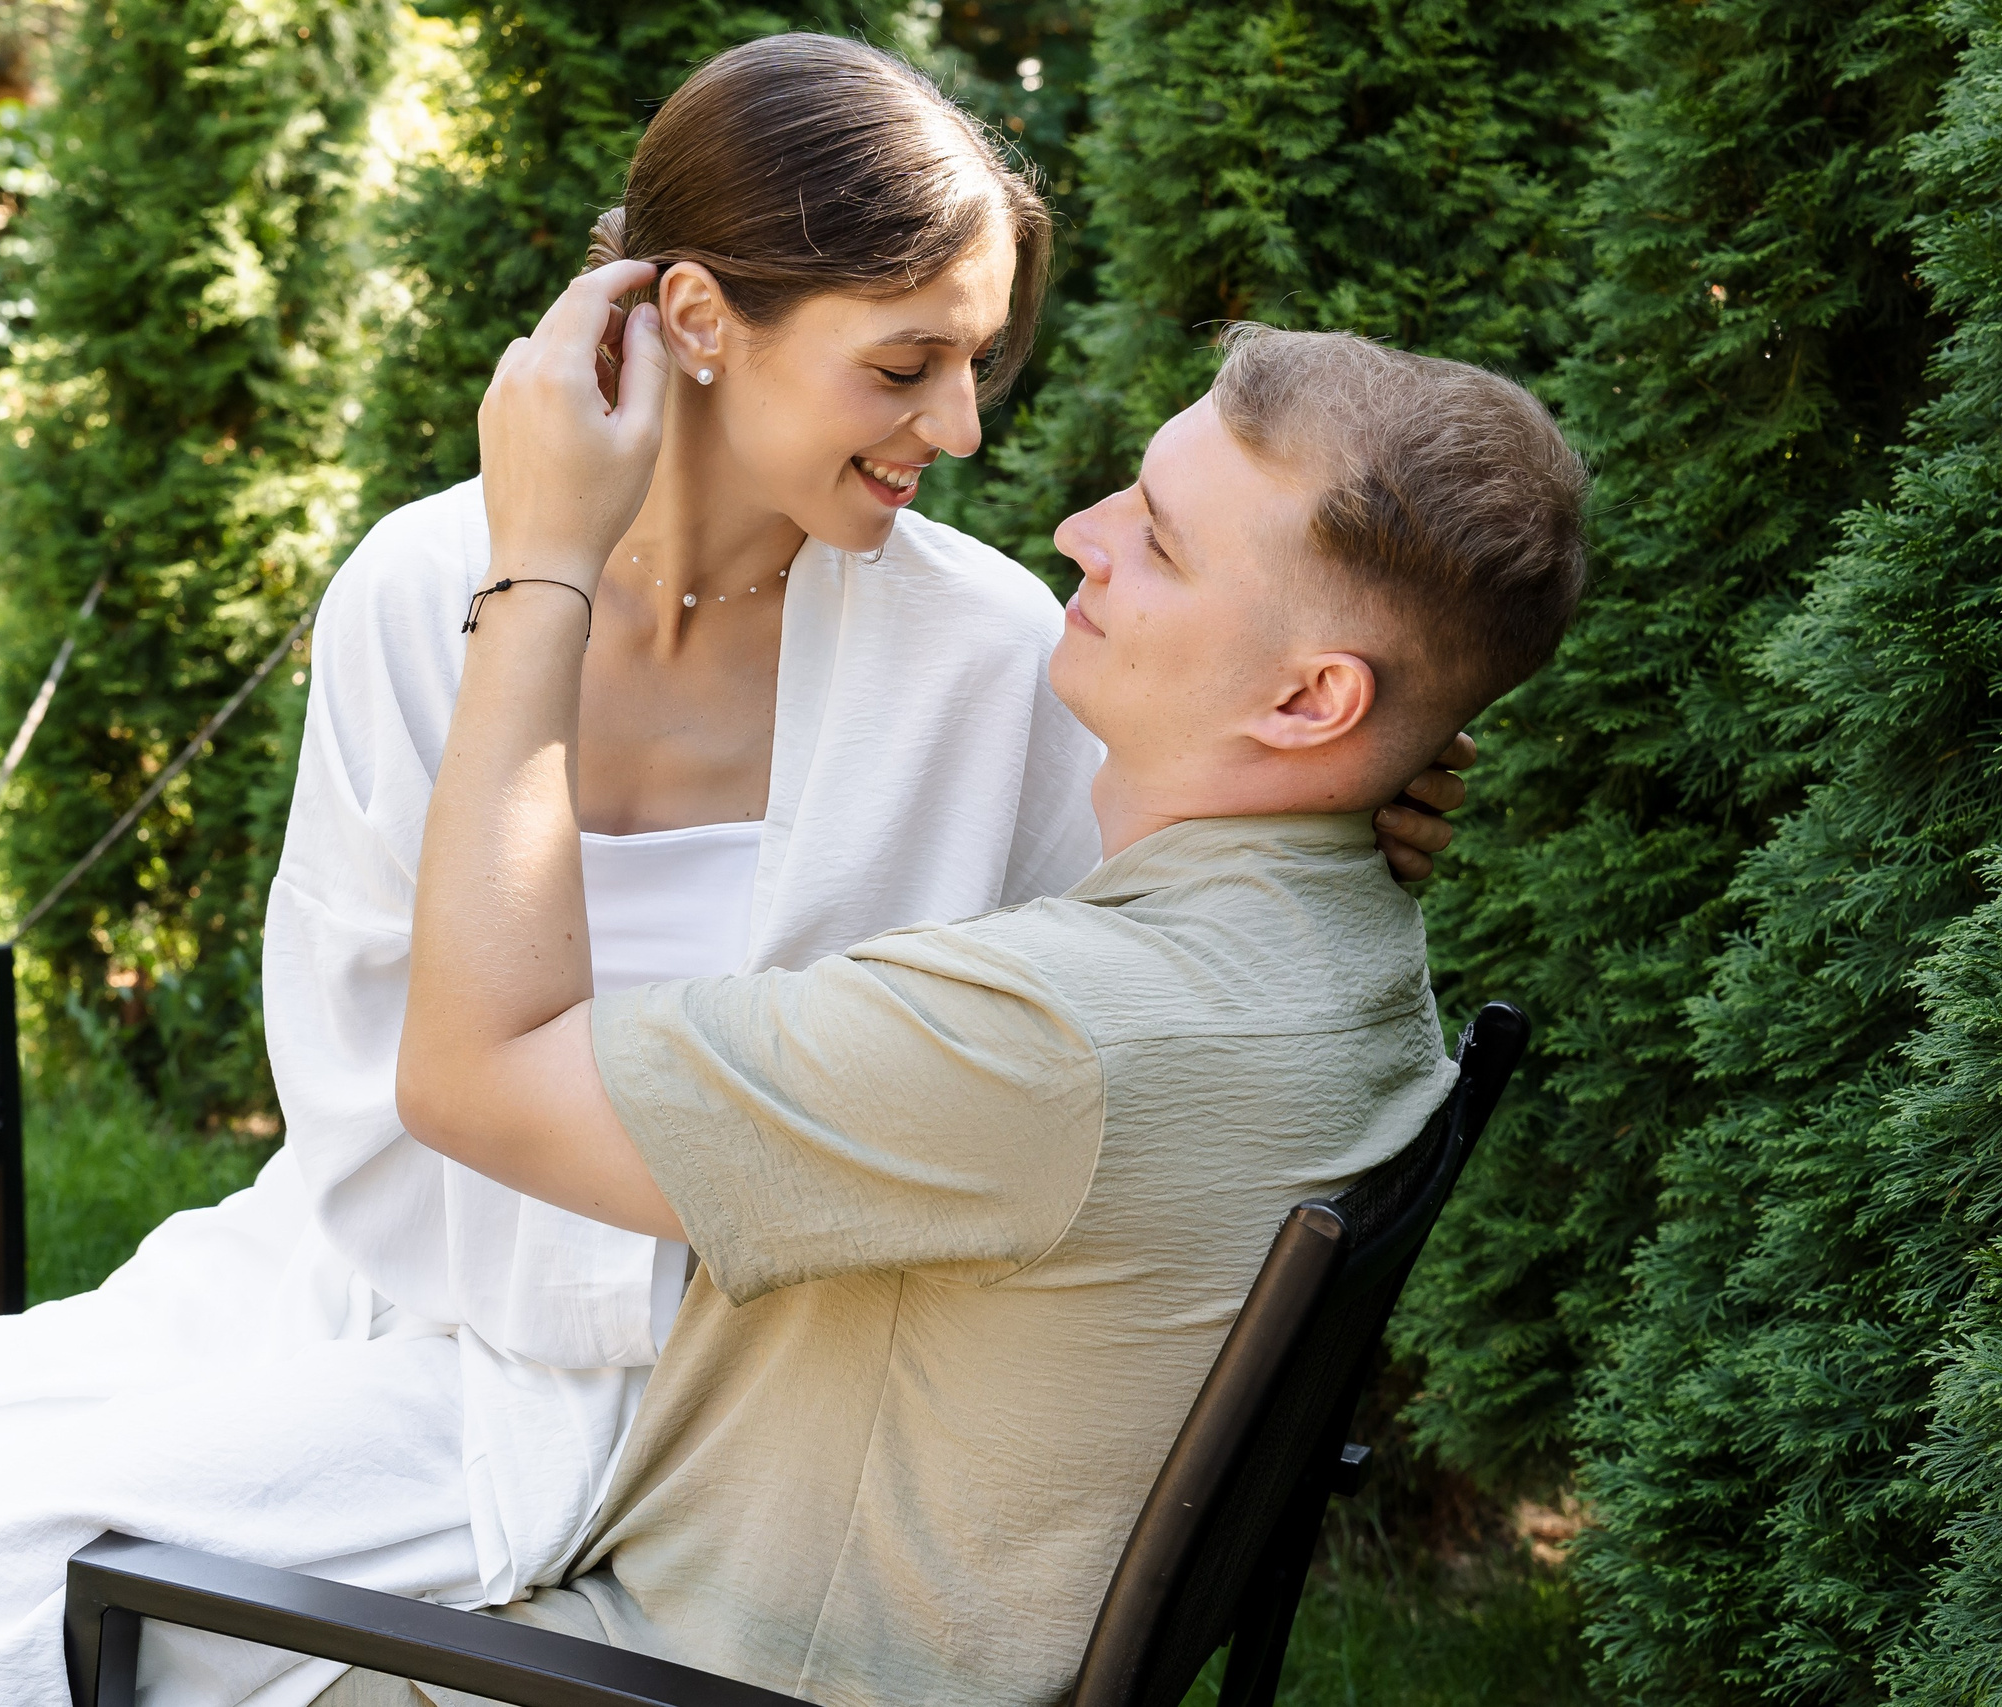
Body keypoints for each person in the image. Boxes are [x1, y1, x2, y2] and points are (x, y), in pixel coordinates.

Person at [0, 35, 1466, 1707]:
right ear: (695, 314)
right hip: (384, 1277)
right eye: (906, 363)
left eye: (981, 358)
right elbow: (365, 1075)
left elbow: (1134, 977)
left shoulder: (993, 660)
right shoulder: (421, 589)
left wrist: (1349, 786)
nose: (966, 425)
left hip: (703, 1392)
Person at [349, 280, 1589, 1706]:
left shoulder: (1048, 1041)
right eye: (1134, 492)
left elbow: (468, 1077)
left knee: (71, 1597)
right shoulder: (1351, 946)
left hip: (644, 1671)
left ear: (1311, 704)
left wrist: (541, 567)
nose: (1079, 535)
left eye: (1161, 545)